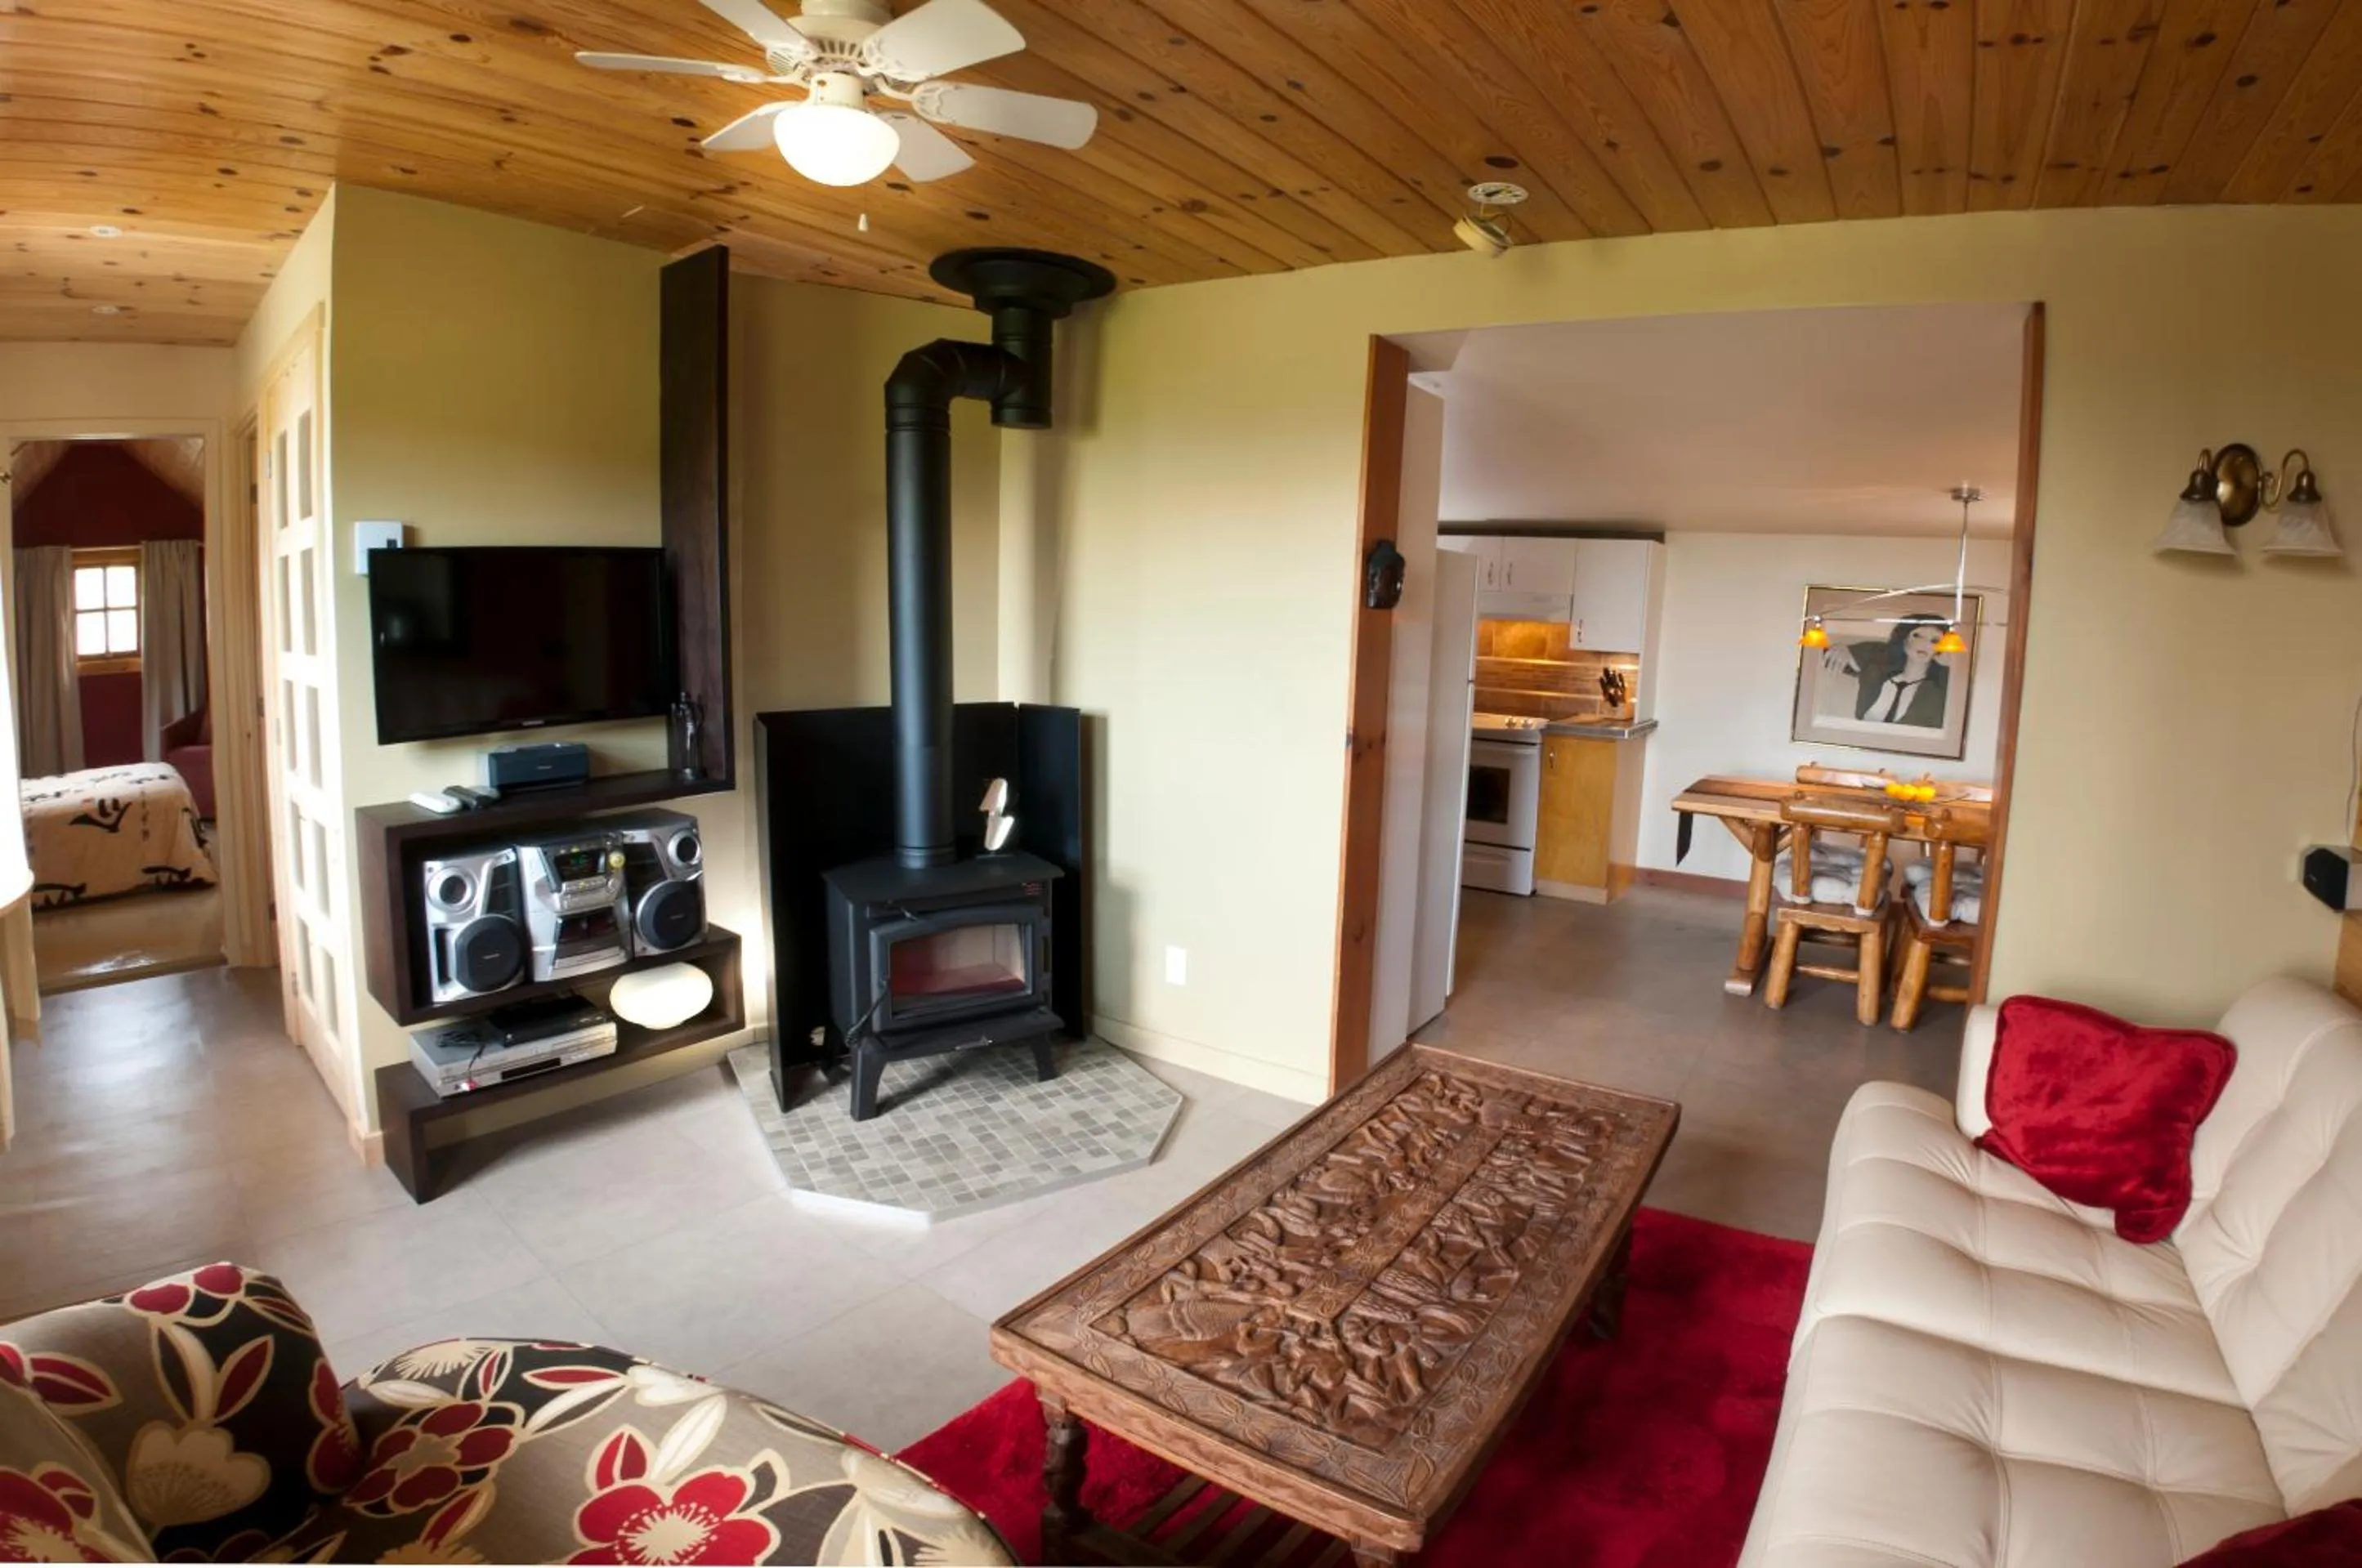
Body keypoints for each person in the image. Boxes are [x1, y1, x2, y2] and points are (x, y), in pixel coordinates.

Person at [1822, 614, 1950, 728]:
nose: (1925, 644)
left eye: (1935, 640)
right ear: (1903, 638)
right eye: (1917, 635)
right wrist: (1842, 649)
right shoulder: (1878, 670)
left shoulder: (1944, 680)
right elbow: (1830, 657)